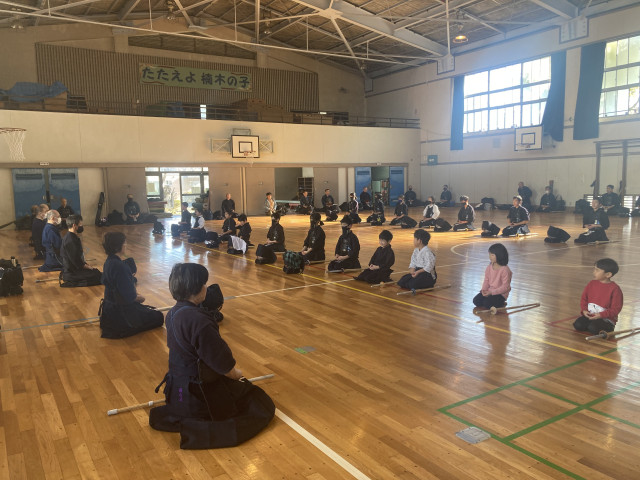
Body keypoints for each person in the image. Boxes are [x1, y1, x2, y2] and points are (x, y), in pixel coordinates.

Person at [148, 263, 275, 449]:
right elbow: (224, 365)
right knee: (259, 401)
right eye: (204, 284)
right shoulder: (200, 321)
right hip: (197, 395)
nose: (206, 287)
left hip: (177, 392)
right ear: (197, 288)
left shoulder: (172, 313)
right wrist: (237, 375)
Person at [99, 232, 164, 338]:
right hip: (121, 311)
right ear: (118, 246)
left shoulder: (108, 262)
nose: (126, 245)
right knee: (158, 317)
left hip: (109, 309)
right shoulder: (120, 267)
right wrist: (141, 298)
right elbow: (130, 297)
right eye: (124, 243)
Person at [573, 258, 623, 335]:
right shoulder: (591, 283)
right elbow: (584, 299)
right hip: (591, 315)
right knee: (578, 325)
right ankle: (592, 325)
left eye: (597, 270)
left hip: (606, 319)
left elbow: (615, 309)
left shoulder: (615, 289)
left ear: (608, 274)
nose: (594, 272)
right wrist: (584, 310)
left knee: (593, 328)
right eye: (594, 269)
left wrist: (601, 315)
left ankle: (606, 327)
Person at [60, 215, 102, 287]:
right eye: (80, 224)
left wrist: (86, 265)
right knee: (97, 275)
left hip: (75, 268)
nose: (81, 226)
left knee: (97, 273)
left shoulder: (71, 236)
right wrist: (86, 266)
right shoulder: (70, 240)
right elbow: (76, 260)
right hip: (72, 272)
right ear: (74, 226)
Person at [472, 243, 512, 310]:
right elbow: (486, 280)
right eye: (489, 254)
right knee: (476, 301)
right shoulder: (489, 267)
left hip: (500, 294)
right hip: (490, 291)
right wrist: (484, 290)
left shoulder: (505, 270)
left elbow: (505, 287)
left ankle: (501, 302)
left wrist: (492, 292)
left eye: (492, 255)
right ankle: (493, 301)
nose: (490, 257)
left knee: (487, 304)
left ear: (499, 255)